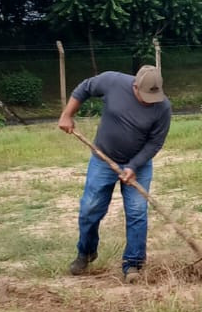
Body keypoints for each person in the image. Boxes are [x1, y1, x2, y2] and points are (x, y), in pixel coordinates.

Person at [57, 66, 172, 281]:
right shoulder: (112, 82)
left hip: (139, 165)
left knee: (137, 213)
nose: (150, 101)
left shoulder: (163, 107)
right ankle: (86, 253)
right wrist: (67, 115)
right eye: (145, 96)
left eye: (153, 97)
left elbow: (155, 143)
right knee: (90, 209)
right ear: (135, 86)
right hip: (103, 159)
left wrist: (134, 166)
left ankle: (133, 265)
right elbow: (84, 89)